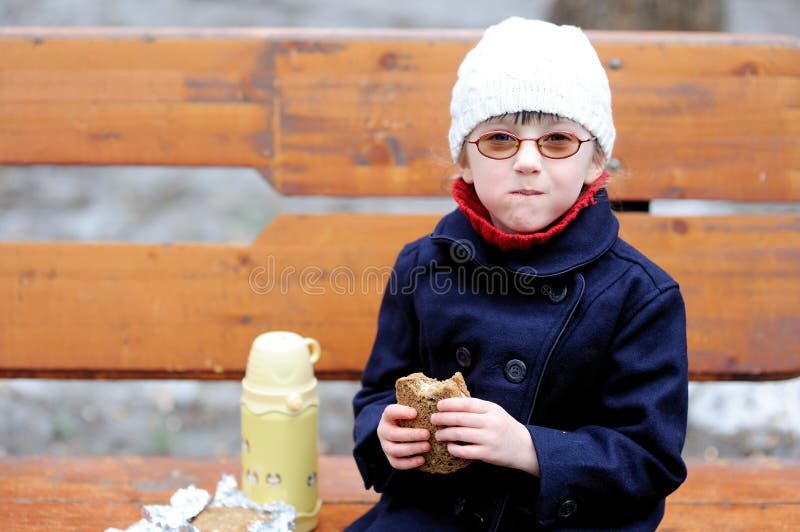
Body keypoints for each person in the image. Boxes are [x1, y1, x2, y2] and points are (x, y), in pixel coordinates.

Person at [348, 17, 688, 531]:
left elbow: (648, 457)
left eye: (556, 140)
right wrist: (385, 430)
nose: (527, 161)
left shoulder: (641, 295)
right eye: (501, 139)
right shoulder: (421, 267)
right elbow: (378, 391)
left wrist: (528, 447)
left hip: (566, 520)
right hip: (434, 512)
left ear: (596, 162)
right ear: (464, 159)